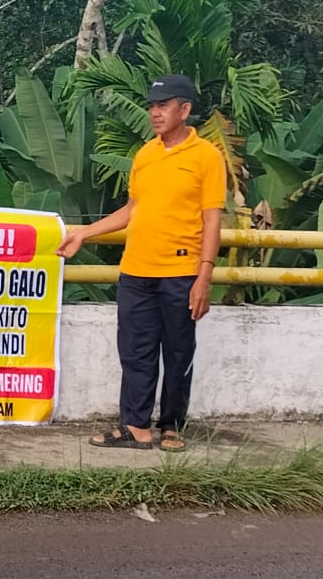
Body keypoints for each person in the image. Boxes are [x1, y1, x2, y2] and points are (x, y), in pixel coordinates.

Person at [56, 73, 226, 453]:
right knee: (136, 352)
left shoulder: (206, 156)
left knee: (178, 353)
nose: (155, 113)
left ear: (185, 109)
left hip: (180, 273)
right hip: (135, 272)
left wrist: (204, 276)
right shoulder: (145, 155)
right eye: (152, 106)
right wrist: (84, 233)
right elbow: (132, 210)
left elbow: (212, 219)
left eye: (163, 106)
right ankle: (136, 427)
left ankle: (171, 426)